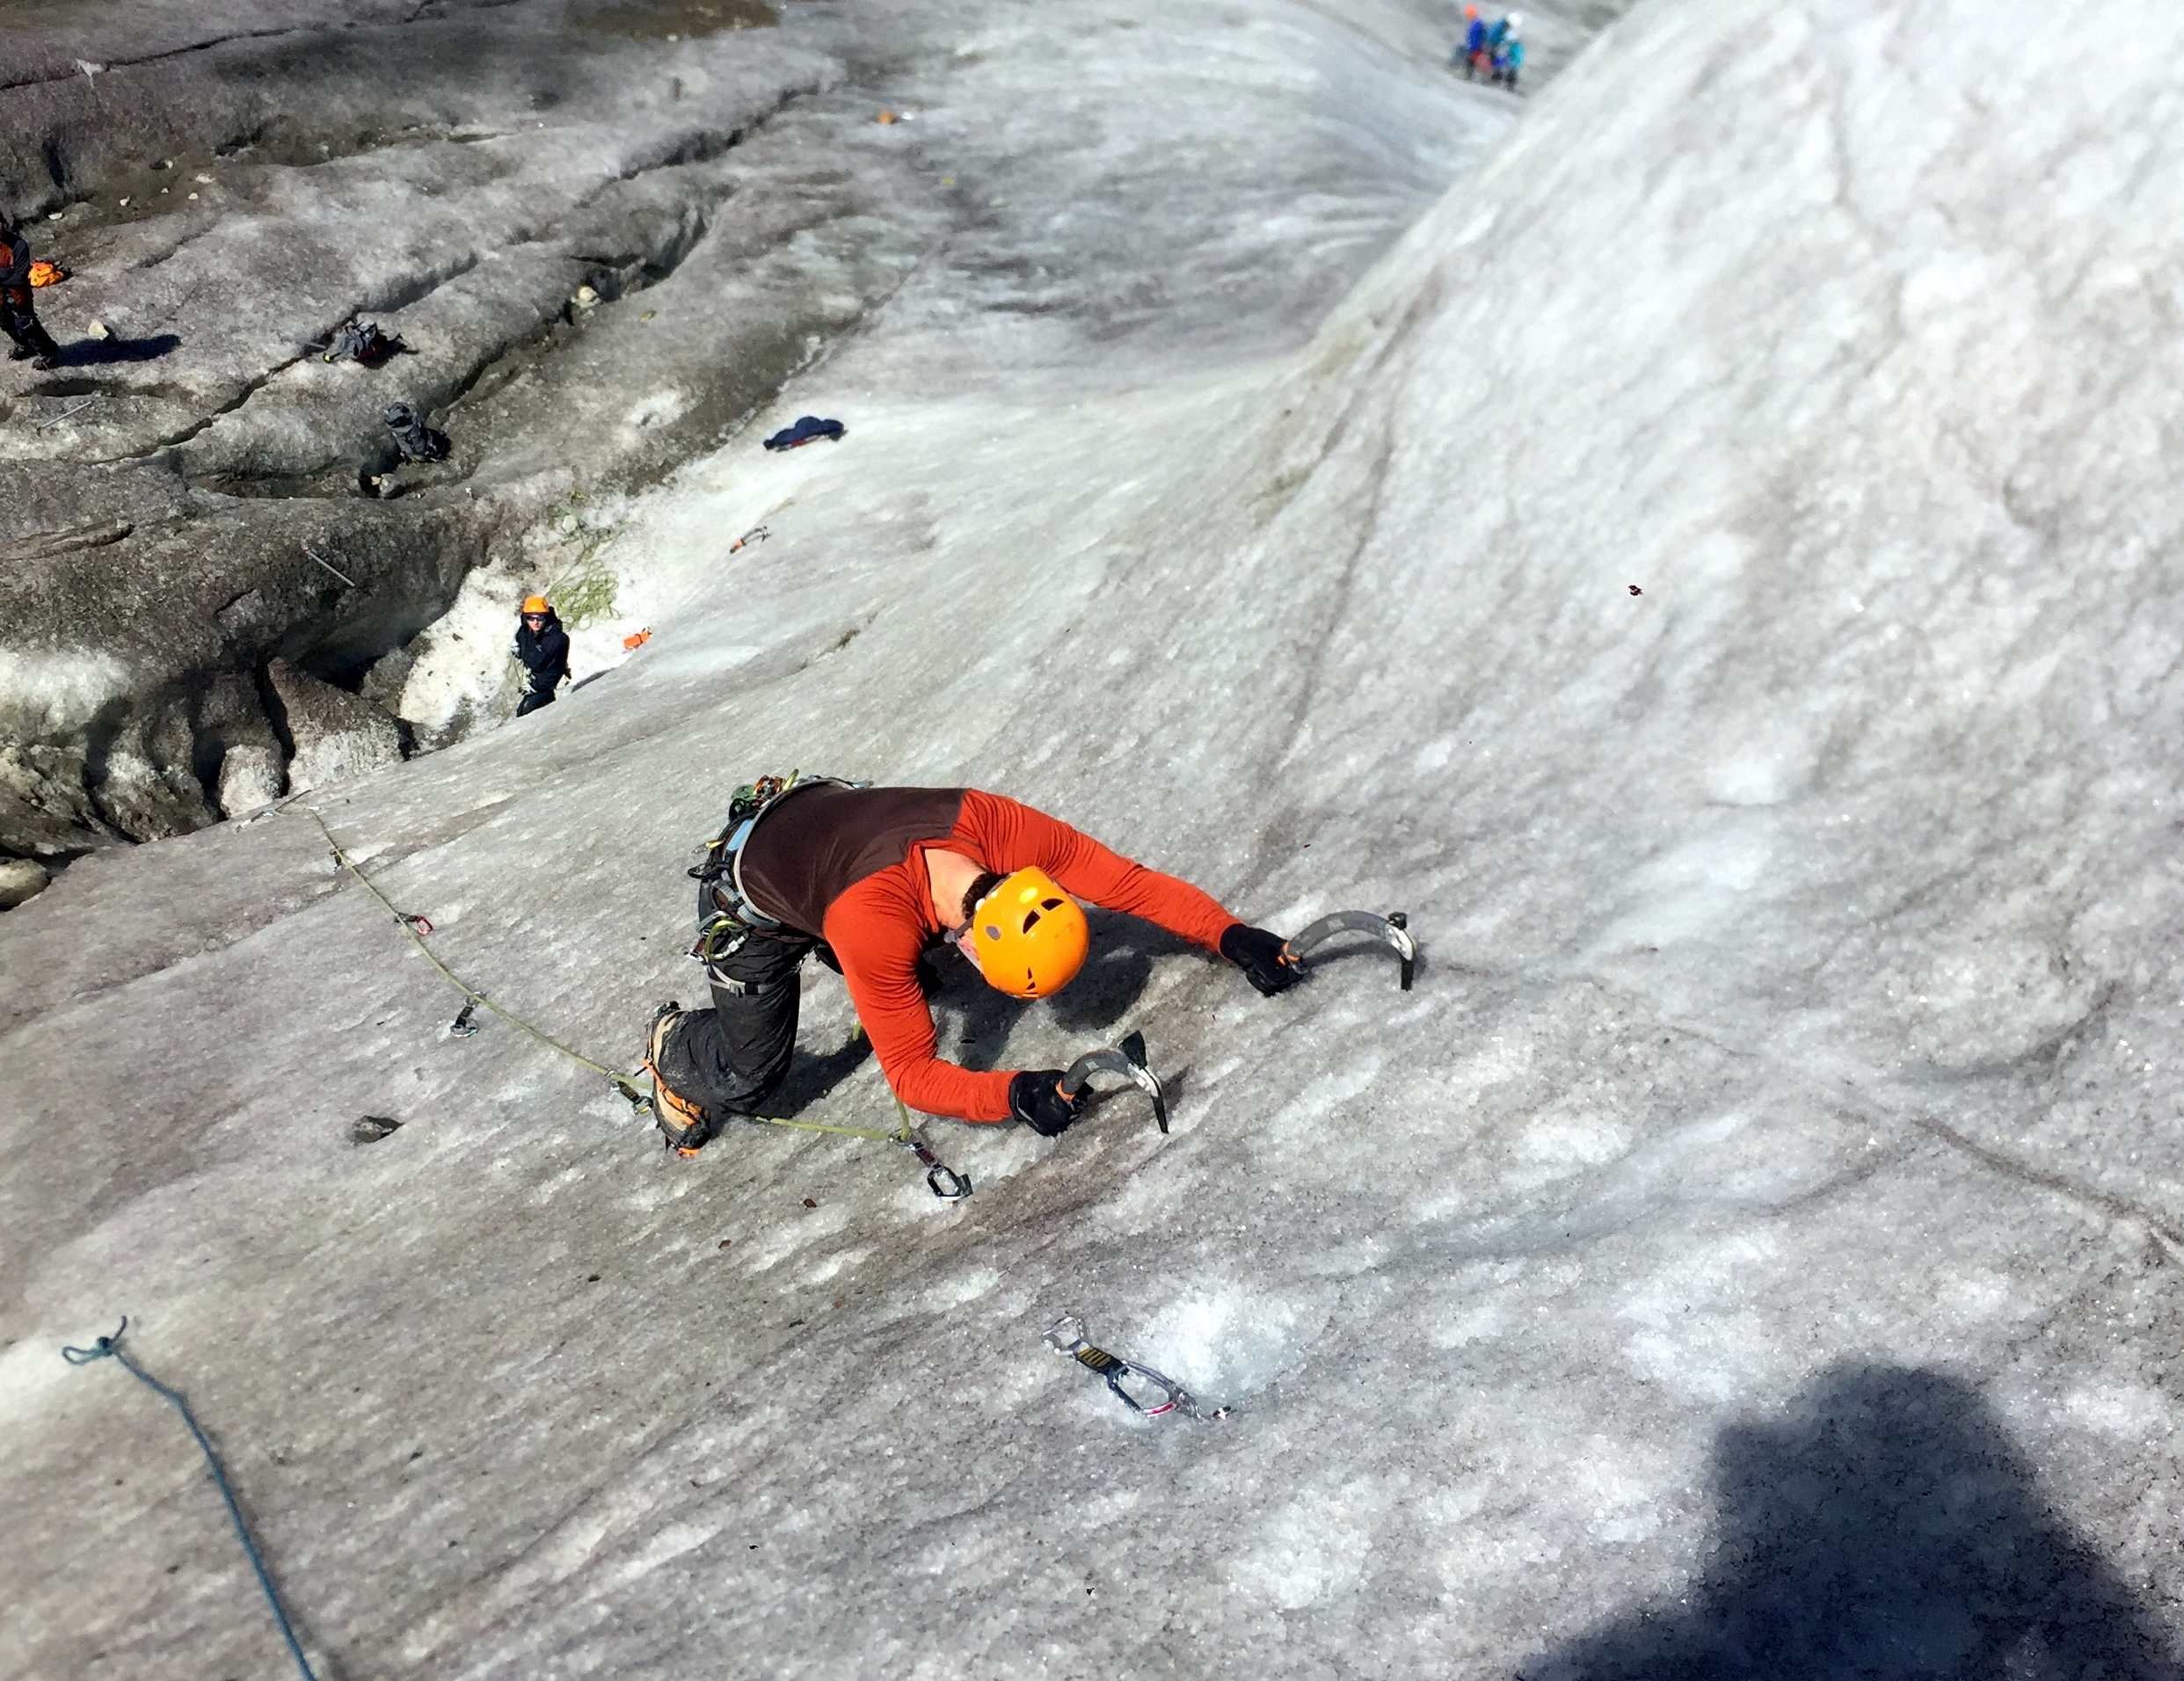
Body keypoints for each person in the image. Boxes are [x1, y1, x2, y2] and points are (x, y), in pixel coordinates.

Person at [642, 778, 1303, 1153]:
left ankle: (840, 946)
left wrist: (1233, 936)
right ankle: (675, 1047)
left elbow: (1126, 884)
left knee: (908, 976)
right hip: (752, 896)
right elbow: (910, 1074)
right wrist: (1011, 1094)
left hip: (825, 826)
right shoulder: (872, 924)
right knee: (748, 1075)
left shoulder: (998, 826)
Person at [0, 212, 61, 371]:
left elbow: (19, 278)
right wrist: (7, 273)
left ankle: (48, 352)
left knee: (27, 324)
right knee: (5, 321)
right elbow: (13, 274)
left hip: (18, 294)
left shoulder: (19, 246)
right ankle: (23, 346)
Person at [512, 595, 569, 717]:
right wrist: (518, 648)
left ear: (546, 617)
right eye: (531, 618)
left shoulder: (557, 641)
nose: (536, 622)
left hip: (543, 689)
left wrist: (535, 687)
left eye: (540, 617)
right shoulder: (525, 630)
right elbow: (521, 638)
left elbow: (553, 673)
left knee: (526, 716)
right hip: (532, 680)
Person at [1452, 4, 1487, 76]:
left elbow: (1474, 38)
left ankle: (1454, 66)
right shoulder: (1478, 22)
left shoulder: (1475, 25)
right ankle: (1463, 71)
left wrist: (1471, 47)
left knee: (1460, 49)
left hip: (1475, 47)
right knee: (1462, 49)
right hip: (1477, 46)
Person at [1494, 17, 1525, 88]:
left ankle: (1501, 82)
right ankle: (1508, 84)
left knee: (1507, 69)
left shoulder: (1510, 42)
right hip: (1513, 60)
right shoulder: (1516, 44)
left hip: (1511, 60)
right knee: (1510, 70)